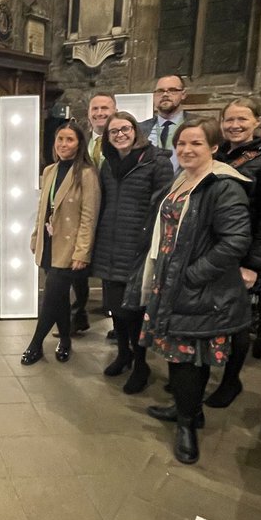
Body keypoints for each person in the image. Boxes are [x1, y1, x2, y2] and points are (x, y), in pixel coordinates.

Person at [140, 117, 253, 465]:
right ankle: (187, 410)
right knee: (183, 353)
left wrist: (193, 274)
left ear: (214, 147)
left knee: (187, 355)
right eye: (181, 144)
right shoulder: (185, 179)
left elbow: (236, 241)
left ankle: (187, 425)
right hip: (172, 280)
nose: (186, 150)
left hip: (197, 286)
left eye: (196, 144)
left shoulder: (222, 185)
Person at [204, 97, 261, 408]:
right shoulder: (222, 154)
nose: (235, 125)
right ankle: (200, 374)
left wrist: (254, 264)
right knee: (210, 315)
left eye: (242, 119)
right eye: (229, 120)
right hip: (215, 249)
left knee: (237, 321)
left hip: (244, 253)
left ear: (256, 122)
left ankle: (231, 381)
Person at [90, 111, 173, 393]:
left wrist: (148, 240)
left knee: (134, 310)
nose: (120, 135)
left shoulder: (155, 161)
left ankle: (141, 363)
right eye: (113, 132)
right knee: (116, 308)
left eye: (124, 129)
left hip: (138, 246)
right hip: (109, 244)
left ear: (135, 130)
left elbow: (162, 206)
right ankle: (123, 354)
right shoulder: (108, 164)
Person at [20, 122, 100, 366]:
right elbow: (43, 209)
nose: (64, 144)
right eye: (60, 139)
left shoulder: (87, 173)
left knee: (51, 295)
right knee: (60, 298)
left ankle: (35, 344)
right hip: (49, 242)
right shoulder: (50, 171)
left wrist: (82, 252)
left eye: (70, 140)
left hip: (70, 246)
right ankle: (65, 339)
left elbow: (89, 216)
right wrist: (36, 236)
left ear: (79, 144)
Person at [72, 92, 116, 334]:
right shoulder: (82, 141)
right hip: (85, 214)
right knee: (78, 267)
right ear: (89, 113)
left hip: (112, 214)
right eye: (95, 109)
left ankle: (113, 313)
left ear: (115, 110)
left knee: (111, 267)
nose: (100, 113)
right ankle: (78, 316)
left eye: (105, 108)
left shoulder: (122, 140)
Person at [139, 74, 194, 172]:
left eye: (172, 90)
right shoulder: (140, 129)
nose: (165, 94)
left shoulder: (198, 125)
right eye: (160, 91)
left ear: (183, 94)